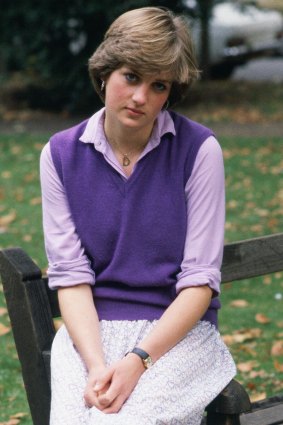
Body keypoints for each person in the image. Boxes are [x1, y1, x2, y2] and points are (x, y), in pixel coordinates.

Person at [40, 6, 236, 425]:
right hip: (89, 335)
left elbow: (200, 282)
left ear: (171, 92)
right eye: (131, 76)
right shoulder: (59, 155)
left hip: (178, 336)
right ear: (105, 72)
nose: (141, 97)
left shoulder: (199, 151)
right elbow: (71, 276)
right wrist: (96, 365)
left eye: (158, 85)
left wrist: (138, 361)